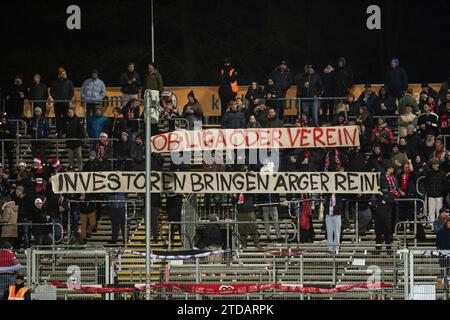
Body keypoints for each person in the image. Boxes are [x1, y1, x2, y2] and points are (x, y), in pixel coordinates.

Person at [375, 163, 400, 253]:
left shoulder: (394, 178)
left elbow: (395, 188)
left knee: (389, 226)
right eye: (391, 168)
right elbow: (383, 190)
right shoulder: (382, 178)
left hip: (392, 204)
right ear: (388, 168)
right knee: (381, 227)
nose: (392, 170)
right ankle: (379, 247)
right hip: (383, 206)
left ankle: (388, 247)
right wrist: (385, 196)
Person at [50, 68, 75, 135]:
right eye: (62, 74)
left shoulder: (69, 82)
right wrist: (55, 98)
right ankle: (58, 131)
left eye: (65, 73)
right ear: (59, 74)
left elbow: (72, 92)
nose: (64, 75)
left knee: (65, 117)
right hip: (57, 103)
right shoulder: (55, 82)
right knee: (58, 117)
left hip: (65, 103)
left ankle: (65, 130)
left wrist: (68, 99)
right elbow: (52, 91)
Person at [424, 160, 448, 224]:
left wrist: (441, 191)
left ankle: (439, 226)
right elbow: (426, 183)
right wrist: (428, 191)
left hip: (439, 195)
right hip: (431, 195)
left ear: (438, 165)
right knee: (431, 211)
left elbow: (445, 184)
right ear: (432, 165)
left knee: (439, 211)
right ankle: (432, 225)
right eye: (433, 164)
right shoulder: (428, 173)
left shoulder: (442, 173)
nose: (434, 165)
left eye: (436, 164)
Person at [324, 190, 344, 254]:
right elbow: (325, 204)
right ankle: (330, 248)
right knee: (329, 232)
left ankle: (336, 248)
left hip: (337, 215)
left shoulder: (339, 195)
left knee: (337, 232)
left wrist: (333, 210)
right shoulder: (327, 195)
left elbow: (340, 206)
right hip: (328, 215)